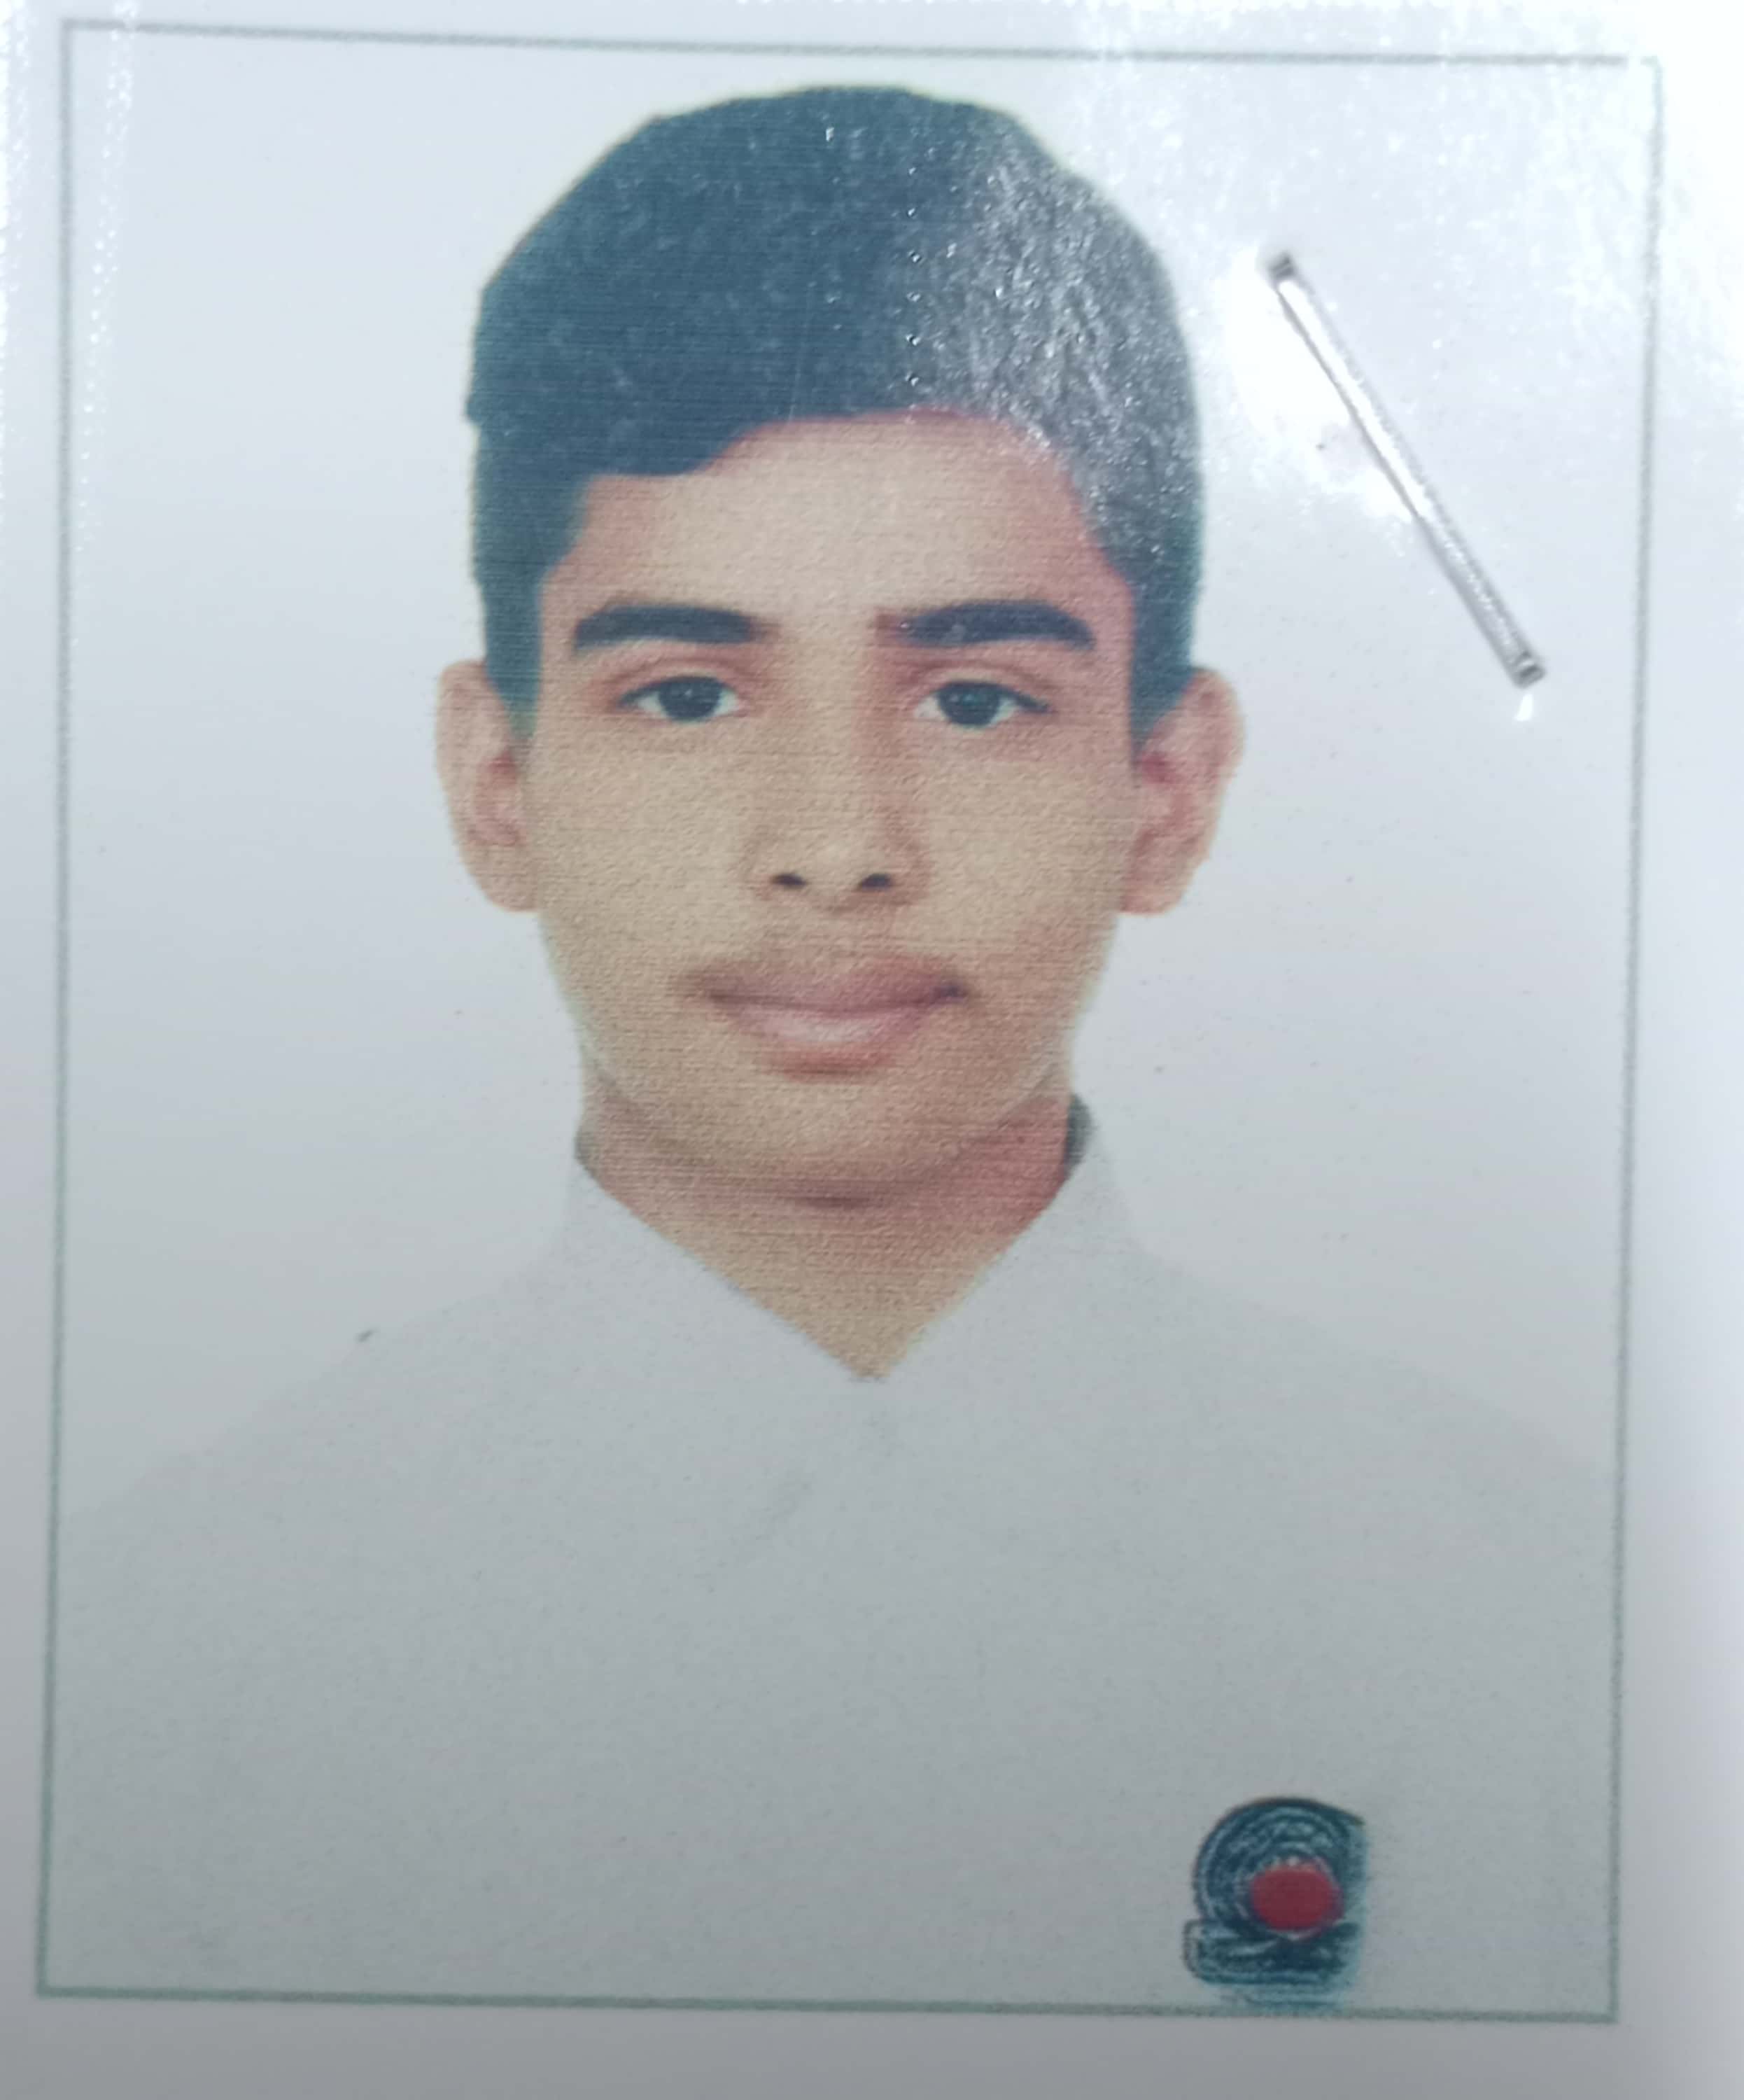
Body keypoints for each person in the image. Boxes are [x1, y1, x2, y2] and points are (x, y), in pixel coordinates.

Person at [43, 85, 1611, 2016]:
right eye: (687, 694)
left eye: (975, 699)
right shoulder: (149, 1678)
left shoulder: (1551, 1629)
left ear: (1166, 789)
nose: (836, 845)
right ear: (499, 782)